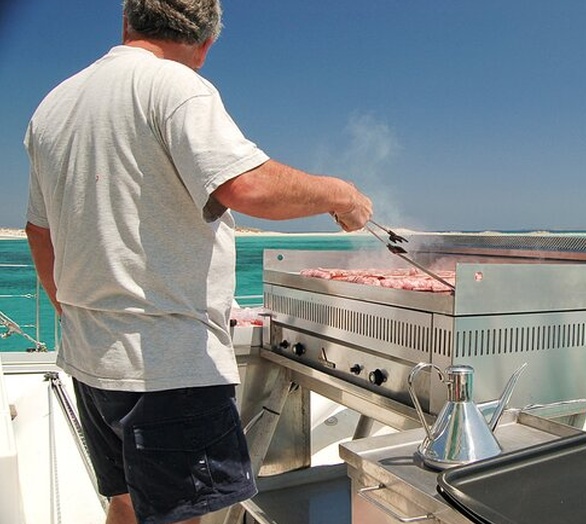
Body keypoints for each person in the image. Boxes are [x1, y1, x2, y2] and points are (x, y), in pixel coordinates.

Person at [24, 1, 372, 523]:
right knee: (187, 516)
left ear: (127, 23)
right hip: (166, 367)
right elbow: (246, 184)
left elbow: (39, 231)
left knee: (125, 505)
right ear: (206, 47)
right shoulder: (176, 86)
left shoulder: (55, 104)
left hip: (90, 355)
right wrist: (340, 194)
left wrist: (78, 313)